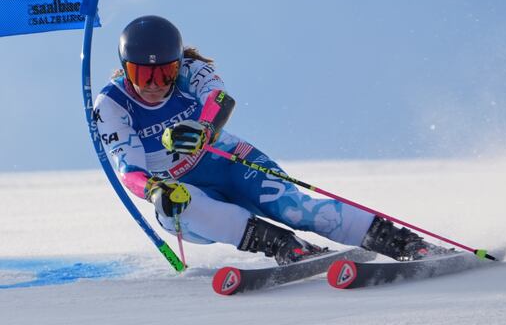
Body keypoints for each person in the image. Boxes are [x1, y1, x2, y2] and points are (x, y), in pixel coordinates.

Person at [94, 15, 440, 265]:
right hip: (187, 193)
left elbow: (220, 100)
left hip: (227, 162)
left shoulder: (190, 70)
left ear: (177, 64)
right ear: (125, 69)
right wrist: (155, 190)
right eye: (142, 73)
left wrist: (203, 130)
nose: (154, 83)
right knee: (175, 207)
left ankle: (401, 241)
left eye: (164, 72)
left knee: (294, 207)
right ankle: (281, 245)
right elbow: (128, 169)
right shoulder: (112, 105)